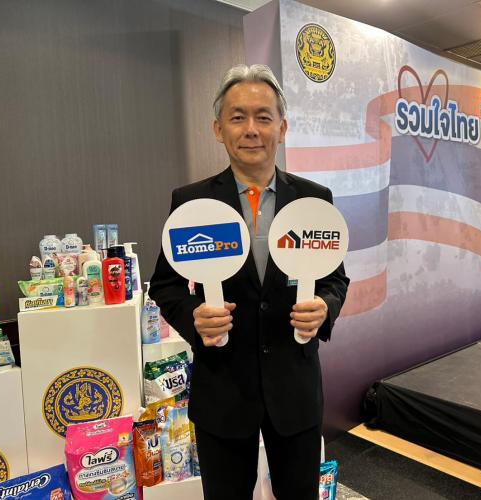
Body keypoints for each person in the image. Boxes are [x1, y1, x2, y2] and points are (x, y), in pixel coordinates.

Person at [149, 64, 349, 500]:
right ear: (218, 129)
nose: (252, 129)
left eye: (263, 117)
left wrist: (326, 308)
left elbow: (335, 278)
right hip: (223, 390)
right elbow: (164, 285)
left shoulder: (314, 200)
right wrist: (194, 317)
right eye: (238, 117)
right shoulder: (192, 202)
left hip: (294, 389)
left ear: (283, 127)